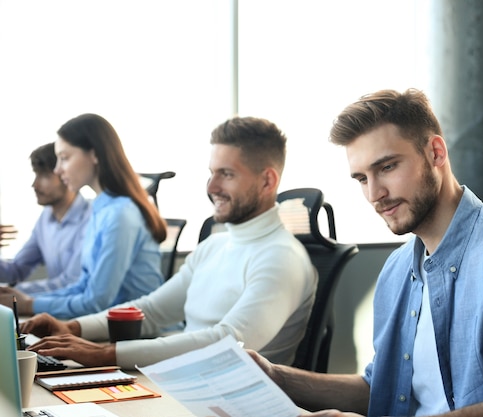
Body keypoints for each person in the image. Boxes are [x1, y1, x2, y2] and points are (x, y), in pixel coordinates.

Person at [248, 89, 483, 417]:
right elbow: (381, 387)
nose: (375, 194)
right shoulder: (398, 268)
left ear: (436, 153)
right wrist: (278, 378)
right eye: (361, 179)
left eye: (387, 167)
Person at [20, 116, 317, 369]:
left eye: (226, 175)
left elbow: (227, 340)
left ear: (267, 181)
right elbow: (152, 309)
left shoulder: (281, 257)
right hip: (184, 386)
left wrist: (105, 353)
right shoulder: (214, 246)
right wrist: (74, 327)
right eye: (212, 173)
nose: (211, 188)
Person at [0, 114, 166, 319]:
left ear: (94, 155)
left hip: (139, 331)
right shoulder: (102, 209)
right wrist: (24, 300)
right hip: (110, 325)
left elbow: (96, 301)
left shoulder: (119, 214)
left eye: (65, 158)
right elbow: (83, 285)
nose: (58, 170)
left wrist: (28, 304)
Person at [0, 143, 90, 294]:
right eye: (36, 175)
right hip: (58, 308)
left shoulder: (91, 217)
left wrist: (15, 292)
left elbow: (73, 281)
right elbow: (16, 270)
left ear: (66, 175)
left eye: (44, 176)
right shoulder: (45, 219)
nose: (34, 185)